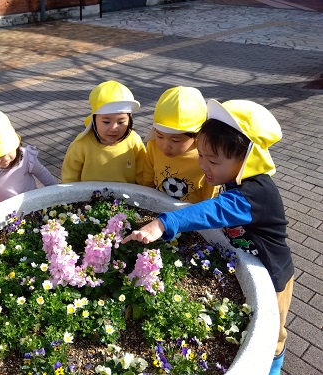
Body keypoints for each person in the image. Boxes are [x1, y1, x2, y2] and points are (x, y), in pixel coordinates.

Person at [122, 99, 293, 375]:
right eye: (201, 156)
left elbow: (214, 210)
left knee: (272, 335)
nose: (203, 166)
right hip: (247, 262)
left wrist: (164, 224)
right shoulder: (234, 177)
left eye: (213, 160)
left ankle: (270, 369)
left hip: (274, 276)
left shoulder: (256, 193)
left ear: (247, 158)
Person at [0, 107, 57, 211]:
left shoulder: (25, 157)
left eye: (10, 150)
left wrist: (57, 193)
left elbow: (43, 174)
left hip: (31, 207)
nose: (6, 158)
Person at [142, 86, 220, 203]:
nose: (165, 145)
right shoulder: (153, 146)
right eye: (160, 136)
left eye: (175, 140)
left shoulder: (205, 157)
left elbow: (210, 194)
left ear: (196, 136)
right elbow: (148, 174)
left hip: (190, 212)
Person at [61, 80, 147, 184]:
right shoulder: (82, 143)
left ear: (129, 119)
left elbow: (142, 172)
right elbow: (69, 177)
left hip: (126, 197)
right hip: (89, 198)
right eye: (106, 122)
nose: (114, 128)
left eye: (121, 121)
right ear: (94, 119)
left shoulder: (134, 141)